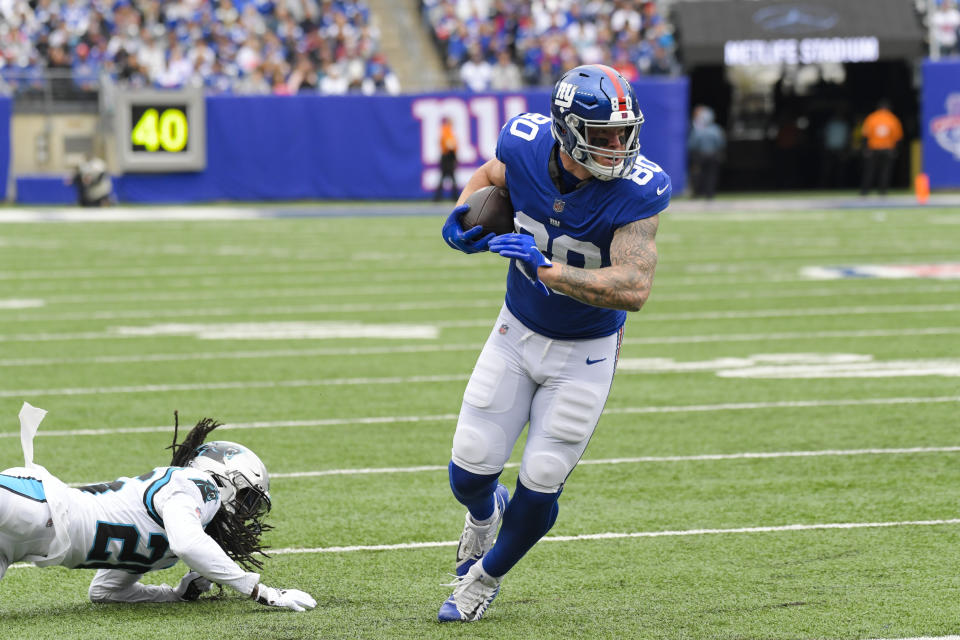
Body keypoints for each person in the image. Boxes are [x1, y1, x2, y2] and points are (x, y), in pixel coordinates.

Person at [438, 64, 669, 622]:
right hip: (515, 331)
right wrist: (461, 216)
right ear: (566, 132)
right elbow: (491, 177)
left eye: (625, 132)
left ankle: (484, 578)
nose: (619, 147)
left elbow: (634, 287)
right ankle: (483, 510)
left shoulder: (640, 189)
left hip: (585, 351)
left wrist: (548, 270)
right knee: (468, 469)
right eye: (604, 136)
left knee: (541, 478)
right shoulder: (522, 142)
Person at [0, 402, 316, 612]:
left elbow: (105, 593)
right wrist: (260, 591)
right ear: (224, 479)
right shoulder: (197, 484)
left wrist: (175, 594)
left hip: (18, 543)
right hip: (36, 505)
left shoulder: (165, 545)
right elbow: (189, 543)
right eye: (245, 498)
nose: (244, 513)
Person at [859, 100, 903, 196]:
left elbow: (865, 135)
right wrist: (895, 150)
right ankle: (883, 192)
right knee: (885, 171)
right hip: (887, 149)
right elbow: (898, 137)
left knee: (870, 171)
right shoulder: (893, 118)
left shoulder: (872, 117)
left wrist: (865, 148)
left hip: (873, 148)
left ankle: (865, 191)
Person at [687, 105, 726, 199]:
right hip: (713, 155)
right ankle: (710, 194)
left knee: (700, 174)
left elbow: (692, 144)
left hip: (701, 156)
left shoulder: (699, 130)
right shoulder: (716, 130)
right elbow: (721, 143)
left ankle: (699, 192)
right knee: (711, 175)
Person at [434, 117, 459, 202]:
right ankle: (453, 197)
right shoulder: (446, 130)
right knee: (449, 178)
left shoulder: (447, 130)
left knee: (446, 178)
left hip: (447, 157)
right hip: (447, 157)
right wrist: (454, 156)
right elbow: (450, 145)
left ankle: (438, 198)